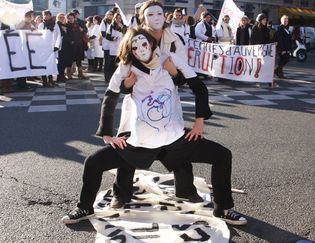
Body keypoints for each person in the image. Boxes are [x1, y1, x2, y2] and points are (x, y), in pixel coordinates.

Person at [61, 28, 247, 226]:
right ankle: (85, 207)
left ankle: (223, 208)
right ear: (130, 51)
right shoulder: (126, 67)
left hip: (174, 139)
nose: (141, 49)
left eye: (144, 44)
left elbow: (199, 87)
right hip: (140, 141)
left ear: (152, 43)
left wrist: (199, 122)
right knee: (92, 162)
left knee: (222, 155)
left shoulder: (171, 59)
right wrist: (107, 134)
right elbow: (110, 96)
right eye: (135, 47)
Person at [108, 0, 203, 209]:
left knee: (177, 142)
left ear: (164, 15)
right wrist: (125, 86)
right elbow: (122, 73)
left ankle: (186, 190)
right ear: (143, 18)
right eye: (150, 15)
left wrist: (174, 73)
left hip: (167, 100)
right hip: (138, 101)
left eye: (159, 14)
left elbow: (183, 76)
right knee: (129, 142)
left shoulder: (175, 40)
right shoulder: (134, 36)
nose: (155, 18)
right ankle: (121, 193)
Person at [38, 10, 61, 87]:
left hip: (52, 48)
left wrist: (56, 46)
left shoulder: (55, 25)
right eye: (44, 15)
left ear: (50, 16)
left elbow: (58, 36)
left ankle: (51, 80)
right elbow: (38, 36)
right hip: (43, 48)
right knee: (43, 64)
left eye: (47, 15)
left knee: (51, 64)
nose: (46, 16)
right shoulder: (41, 25)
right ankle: (44, 80)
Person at [15, 11, 36, 90]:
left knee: (25, 66)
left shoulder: (30, 23)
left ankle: (23, 83)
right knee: (22, 67)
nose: (32, 18)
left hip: (28, 48)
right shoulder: (22, 23)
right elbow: (17, 30)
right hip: (21, 49)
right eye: (31, 16)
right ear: (27, 16)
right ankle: (21, 85)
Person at [105, 13, 126, 82]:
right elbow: (107, 36)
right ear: (114, 18)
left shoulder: (123, 26)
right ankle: (109, 78)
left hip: (121, 47)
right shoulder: (111, 26)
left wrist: (122, 27)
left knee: (121, 64)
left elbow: (127, 34)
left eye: (120, 18)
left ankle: (120, 79)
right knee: (112, 64)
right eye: (117, 18)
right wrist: (112, 38)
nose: (118, 20)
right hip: (113, 47)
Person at [66, 12, 87, 79]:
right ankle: (68, 74)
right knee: (70, 60)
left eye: (72, 18)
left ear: (74, 18)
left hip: (79, 44)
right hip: (70, 46)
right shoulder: (66, 25)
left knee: (79, 59)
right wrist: (70, 41)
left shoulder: (78, 24)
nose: (70, 19)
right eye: (69, 18)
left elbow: (85, 30)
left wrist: (82, 29)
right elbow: (66, 36)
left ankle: (80, 74)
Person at [273, 15, 292, 80]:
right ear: (281, 21)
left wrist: (289, 49)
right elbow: (280, 40)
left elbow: (288, 39)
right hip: (282, 48)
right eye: (285, 21)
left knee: (286, 59)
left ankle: (276, 71)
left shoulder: (286, 28)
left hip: (286, 48)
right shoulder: (280, 29)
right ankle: (280, 74)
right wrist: (282, 49)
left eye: (287, 21)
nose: (286, 22)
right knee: (282, 60)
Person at [100, 10, 114, 82]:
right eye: (108, 14)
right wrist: (111, 38)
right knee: (107, 62)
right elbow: (103, 33)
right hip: (107, 46)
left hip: (115, 46)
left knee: (113, 63)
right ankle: (107, 78)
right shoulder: (104, 22)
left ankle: (113, 77)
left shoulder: (116, 22)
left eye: (111, 14)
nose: (109, 15)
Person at [56, 13, 69, 82]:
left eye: (63, 17)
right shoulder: (57, 25)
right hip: (60, 46)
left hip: (65, 46)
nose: (62, 18)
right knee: (60, 62)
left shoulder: (64, 25)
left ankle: (62, 75)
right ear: (57, 18)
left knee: (64, 62)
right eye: (60, 17)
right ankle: (59, 76)